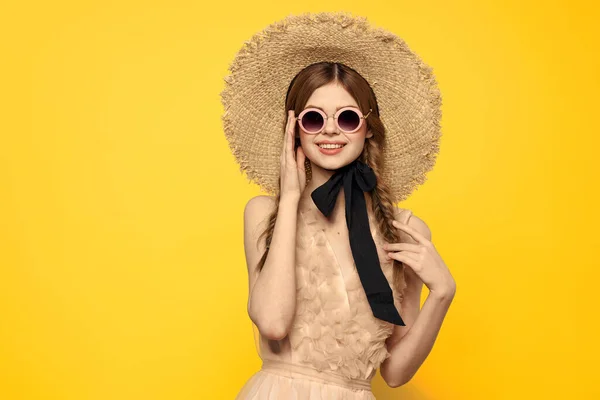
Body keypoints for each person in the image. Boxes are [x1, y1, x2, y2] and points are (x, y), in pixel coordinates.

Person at [221, 12, 456, 399]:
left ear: (368, 127)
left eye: (347, 117)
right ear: (293, 128)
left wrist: (443, 292)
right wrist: (293, 195)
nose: (330, 129)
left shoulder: (405, 231)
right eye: (314, 119)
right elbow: (273, 322)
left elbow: (395, 373)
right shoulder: (264, 213)